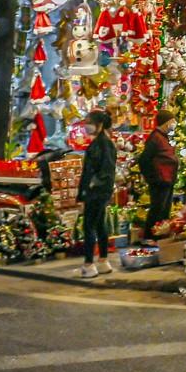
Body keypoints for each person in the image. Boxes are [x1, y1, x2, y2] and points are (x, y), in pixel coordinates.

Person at [77, 110, 119, 279]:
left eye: (89, 122)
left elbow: (106, 170)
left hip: (97, 192)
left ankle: (89, 263)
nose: (86, 125)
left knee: (89, 226)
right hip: (98, 191)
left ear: (99, 125)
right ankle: (102, 260)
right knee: (100, 224)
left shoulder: (104, 144)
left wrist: (92, 185)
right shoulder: (101, 143)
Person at [136, 109, 180, 239]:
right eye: (172, 121)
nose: (174, 124)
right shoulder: (155, 138)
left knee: (164, 209)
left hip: (168, 180)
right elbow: (144, 160)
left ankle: (161, 235)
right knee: (157, 209)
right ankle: (150, 237)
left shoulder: (164, 138)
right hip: (160, 181)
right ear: (166, 123)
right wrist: (153, 178)